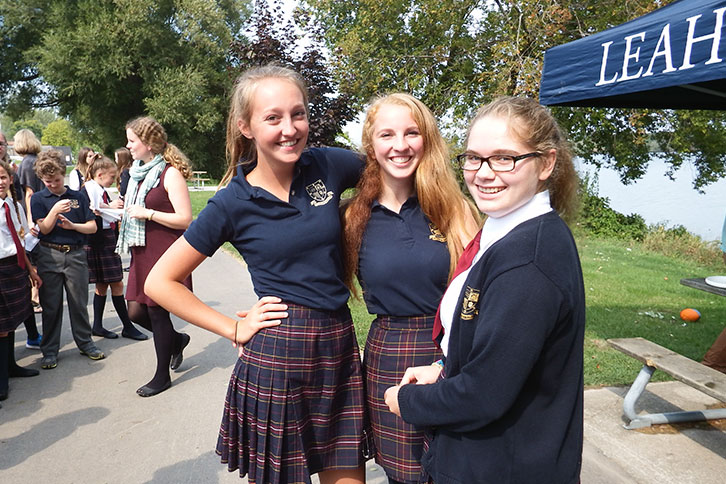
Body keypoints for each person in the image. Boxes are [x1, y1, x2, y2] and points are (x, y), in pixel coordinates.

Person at [145, 64, 370, 484]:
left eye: (298, 114)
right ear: (245, 126)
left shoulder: (328, 165)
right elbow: (159, 282)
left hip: (338, 345)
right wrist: (232, 327)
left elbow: (395, 178)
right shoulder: (232, 202)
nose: (290, 128)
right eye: (273, 117)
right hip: (278, 357)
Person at [384, 97, 585, 483]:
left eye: (505, 158)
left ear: (546, 163)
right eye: (474, 158)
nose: (484, 173)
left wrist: (407, 402)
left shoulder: (529, 263)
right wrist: (444, 367)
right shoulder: (507, 229)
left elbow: (483, 394)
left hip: (504, 465)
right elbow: (502, 352)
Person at [341, 93, 479, 484]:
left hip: (453, 351)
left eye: (411, 133)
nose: (400, 145)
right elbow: (309, 279)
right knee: (405, 475)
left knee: (459, 466)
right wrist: (252, 318)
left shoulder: (455, 209)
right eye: (387, 134)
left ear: (427, 140)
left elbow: (484, 288)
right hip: (389, 355)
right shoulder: (352, 217)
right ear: (371, 145)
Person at [115, 116, 193, 397]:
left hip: (165, 252)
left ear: (148, 144)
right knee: (136, 311)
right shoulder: (137, 172)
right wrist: (125, 207)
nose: (128, 146)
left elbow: (185, 219)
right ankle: (177, 339)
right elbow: (139, 206)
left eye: (132, 141)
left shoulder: (169, 173)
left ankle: (162, 377)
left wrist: (147, 213)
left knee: (157, 312)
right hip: (141, 250)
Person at [30, 150, 105, 370]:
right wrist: (54, 211)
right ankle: (50, 350)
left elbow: (91, 226)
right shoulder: (38, 198)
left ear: (63, 175)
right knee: (51, 305)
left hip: (75, 254)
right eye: (47, 181)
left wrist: (73, 226)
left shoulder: (78, 196)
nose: (52, 185)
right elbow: (43, 227)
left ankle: (85, 342)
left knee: (78, 302)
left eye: (56, 180)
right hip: (49, 254)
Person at [82, 155, 148, 341]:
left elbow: (99, 207)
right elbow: (93, 209)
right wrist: (112, 207)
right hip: (99, 240)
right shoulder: (90, 188)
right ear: (100, 174)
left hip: (103, 238)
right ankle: (127, 326)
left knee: (103, 285)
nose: (113, 180)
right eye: (112, 177)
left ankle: (98, 326)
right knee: (116, 283)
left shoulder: (97, 188)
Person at [0, 160, 42, 405]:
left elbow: (20, 242)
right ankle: (2, 378)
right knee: (2, 326)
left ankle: (12, 366)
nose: (1, 182)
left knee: (13, 319)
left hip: (14, 266)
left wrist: (31, 271)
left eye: (4, 177)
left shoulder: (13, 206)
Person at [0, 131, 41, 348]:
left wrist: (30, 269)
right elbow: (30, 193)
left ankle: (29, 341)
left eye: (1, 143)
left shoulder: (13, 203)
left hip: (15, 256)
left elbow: (19, 236)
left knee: (17, 309)